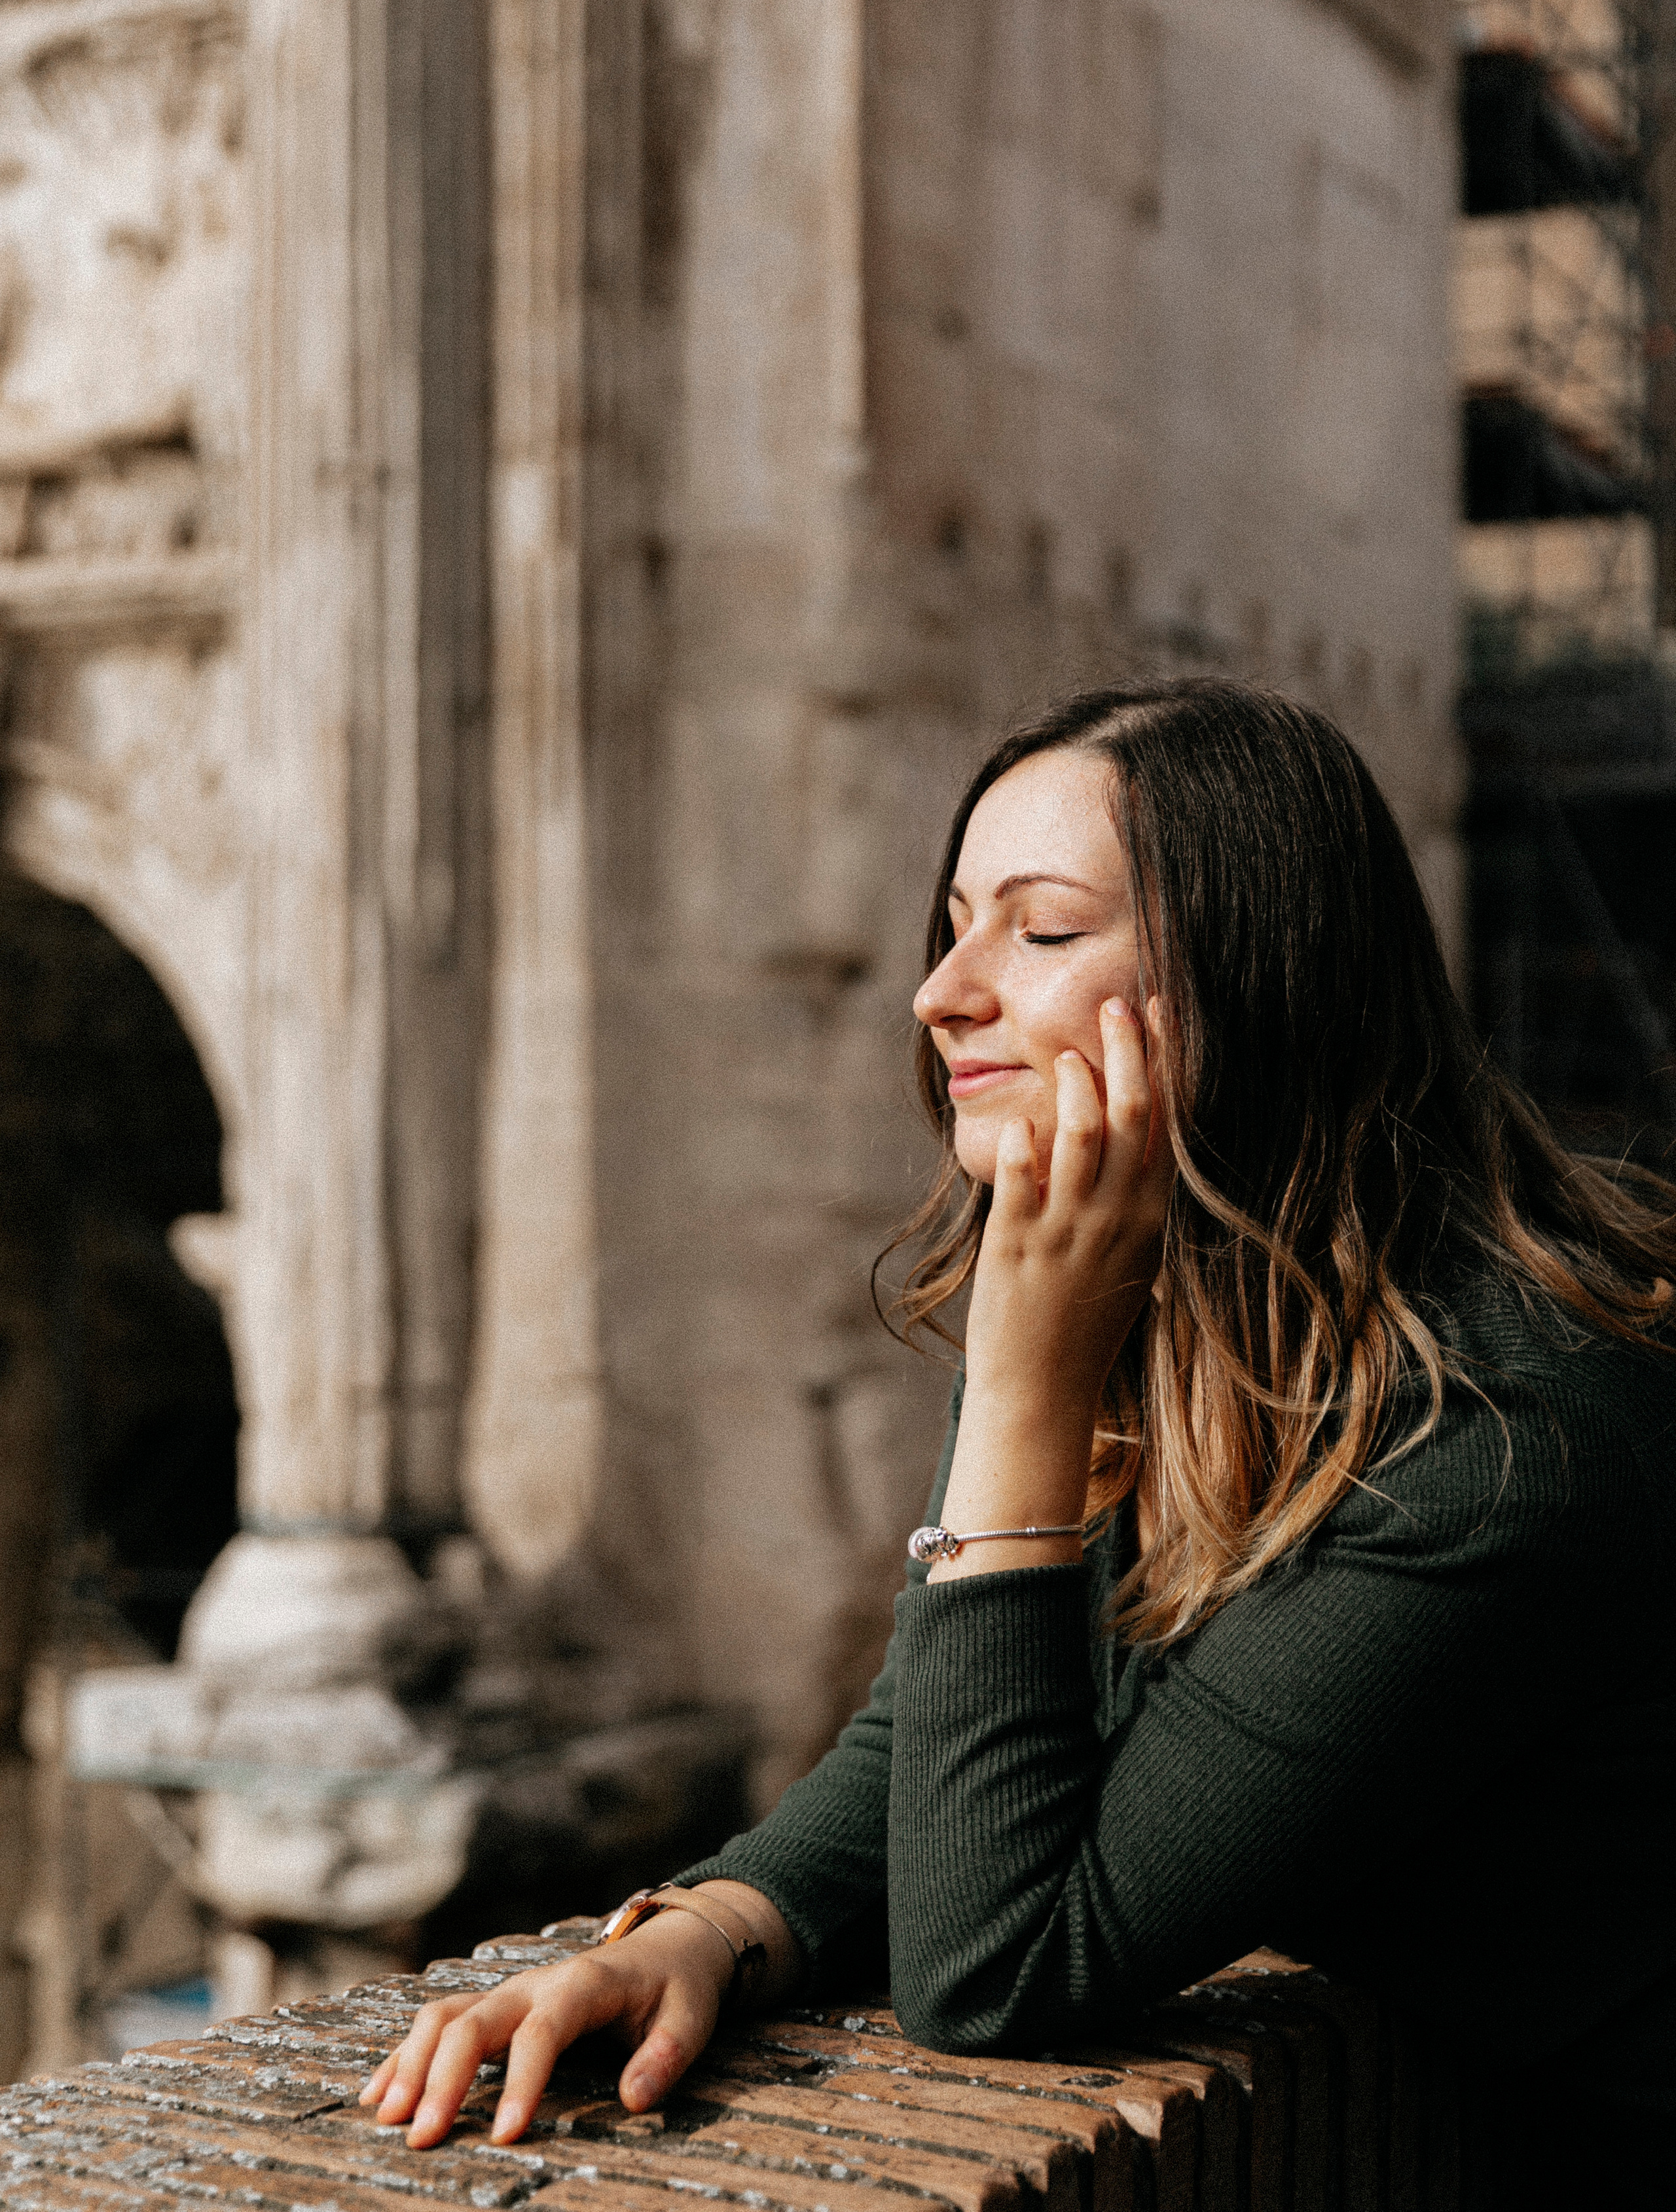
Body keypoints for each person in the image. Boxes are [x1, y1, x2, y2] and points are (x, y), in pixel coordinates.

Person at [365, 680, 1676, 2203]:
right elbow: (939, 1724)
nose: (941, 992)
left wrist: (1022, 1391)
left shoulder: (1493, 1437)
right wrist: (710, 1926)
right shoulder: (1149, 1305)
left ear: (1257, 983)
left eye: (1039, 933)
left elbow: (1004, 1964)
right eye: (953, 922)